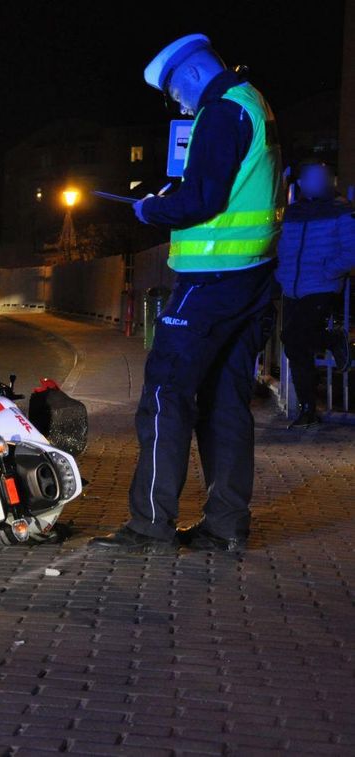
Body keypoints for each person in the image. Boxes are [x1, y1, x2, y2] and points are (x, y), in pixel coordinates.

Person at [90, 34, 282, 555]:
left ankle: (150, 525)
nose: (178, 103)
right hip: (252, 277)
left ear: (192, 74)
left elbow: (203, 199)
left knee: (164, 393)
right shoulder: (253, 102)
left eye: (175, 91)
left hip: (210, 280)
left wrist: (153, 209)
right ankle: (225, 527)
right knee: (224, 401)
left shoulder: (219, 111)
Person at [275, 160, 355, 428]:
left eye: (322, 177)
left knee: (292, 336)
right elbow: (282, 246)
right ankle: (307, 408)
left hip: (321, 287)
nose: (318, 182)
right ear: (302, 183)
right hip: (293, 287)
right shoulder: (293, 213)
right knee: (296, 346)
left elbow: (351, 251)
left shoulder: (341, 210)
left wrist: (328, 271)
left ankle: (333, 339)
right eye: (312, 177)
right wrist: (281, 272)